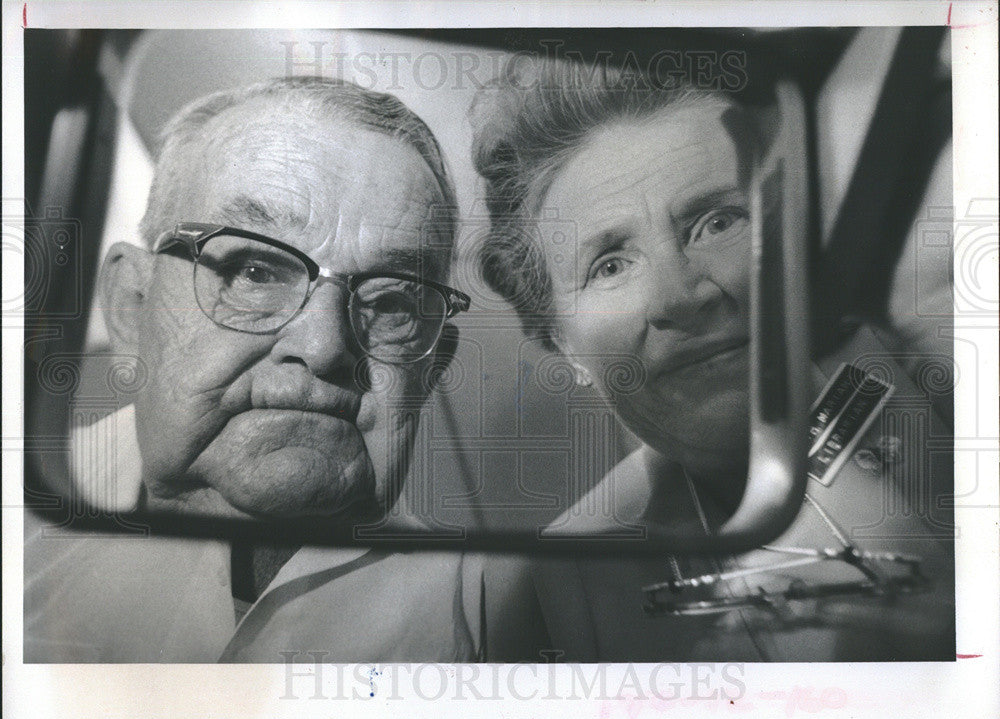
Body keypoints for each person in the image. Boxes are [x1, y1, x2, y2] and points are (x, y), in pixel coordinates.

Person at [24, 76, 539, 663]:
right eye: (254, 271)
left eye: (391, 301)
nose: (324, 346)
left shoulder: (487, 610)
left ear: (430, 370)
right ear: (131, 309)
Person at [470, 57, 955, 661]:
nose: (682, 297)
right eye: (610, 265)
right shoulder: (558, 577)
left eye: (717, 221)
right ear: (561, 342)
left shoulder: (957, 381)